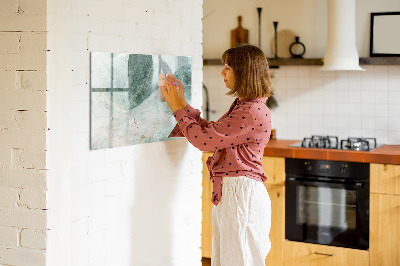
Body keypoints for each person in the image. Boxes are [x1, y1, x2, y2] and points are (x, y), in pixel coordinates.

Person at [161, 44, 273, 266]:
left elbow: (204, 141)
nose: (222, 72)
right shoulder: (246, 106)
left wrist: (176, 108)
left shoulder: (250, 111)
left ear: (244, 72)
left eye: (228, 67)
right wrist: (182, 103)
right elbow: (212, 133)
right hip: (236, 193)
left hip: (241, 195)